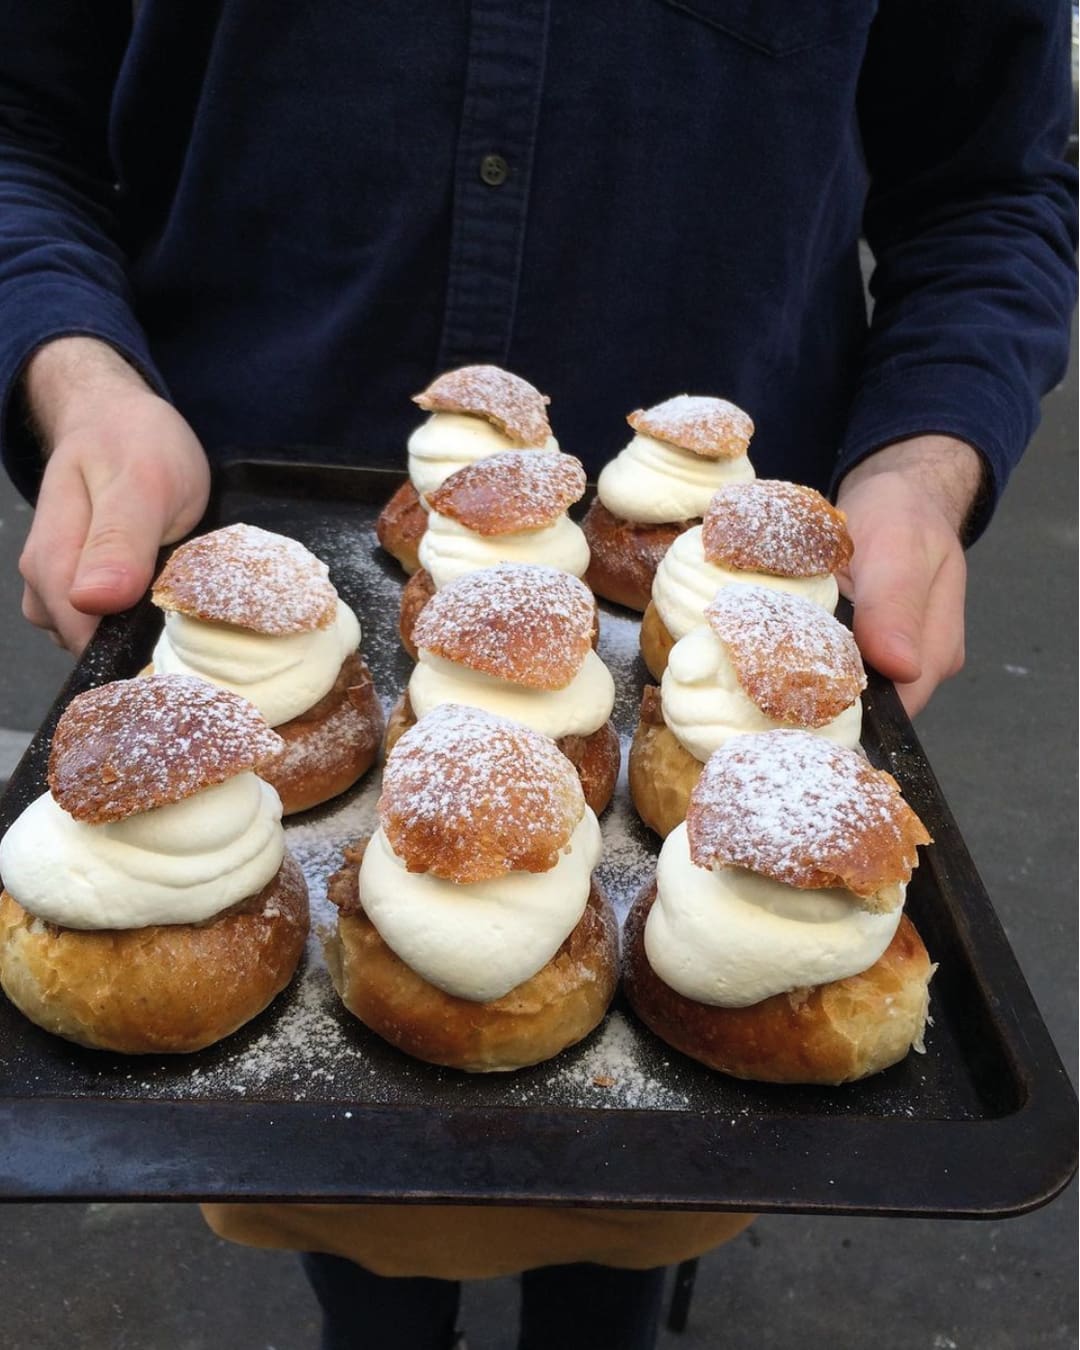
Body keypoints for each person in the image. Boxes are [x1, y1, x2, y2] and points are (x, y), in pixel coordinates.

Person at [1, 4, 1075, 1348]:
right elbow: (22, 125)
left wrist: (922, 463)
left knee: (634, 1239)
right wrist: (82, 377)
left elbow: (995, 187)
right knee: (360, 1254)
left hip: (763, 628)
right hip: (248, 514)